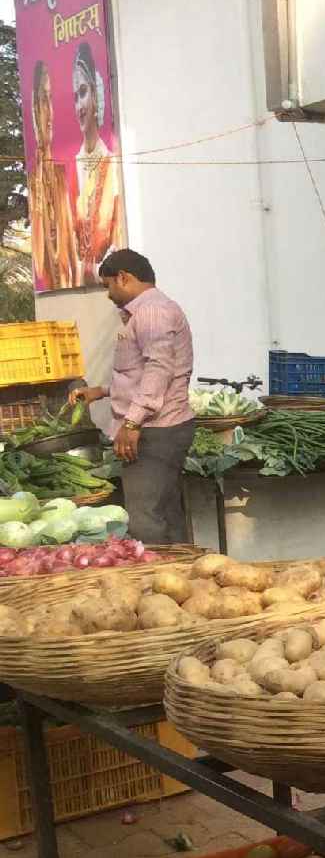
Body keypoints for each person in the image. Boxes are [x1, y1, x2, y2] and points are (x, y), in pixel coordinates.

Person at [70, 250, 195, 544]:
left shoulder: (151, 312)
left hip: (155, 430)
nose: (108, 294)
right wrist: (102, 391)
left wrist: (132, 423)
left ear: (123, 278)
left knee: (145, 518)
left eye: (108, 285)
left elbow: (158, 368)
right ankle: (181, 575)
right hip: (160, 427)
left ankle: (160, 580)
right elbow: (143, 374)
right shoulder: (149, 311)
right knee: (164, 511)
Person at [71, 42, 125, 286]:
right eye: (75, 97)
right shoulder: (73, 166)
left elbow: (118, 233)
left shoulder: (112, 160)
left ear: (95, 93)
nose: (79, 106)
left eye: (83, 92)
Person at [28, 60, 78, 290]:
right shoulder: (33, 180)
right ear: (33, 108)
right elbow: (40, 264)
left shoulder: (63, 175)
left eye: (49, 99)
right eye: (40, 101)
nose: (47, 111)